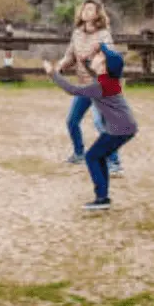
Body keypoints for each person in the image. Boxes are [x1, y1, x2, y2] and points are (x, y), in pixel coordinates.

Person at [44, 43, 138, 210]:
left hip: (119, 130)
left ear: (104, 67)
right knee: (98, 157)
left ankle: (102, 198)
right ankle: (103, 197)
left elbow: (73, 90)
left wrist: (53, 74)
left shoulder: (100, 86)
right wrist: (86, 58)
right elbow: (94, 71)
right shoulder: (108, 80)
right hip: (123, 128)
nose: (96, 57)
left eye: (99, 56)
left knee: (91, 157)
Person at [56, 0, 123, 175]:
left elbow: (110, 58)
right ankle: (79, 154)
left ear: (97, 14)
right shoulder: (77, 34)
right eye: (84, 8)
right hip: (84, 85)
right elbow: (70, 55)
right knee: (72, 121)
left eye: (91, 9)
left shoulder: (104, 35)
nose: (86, 11)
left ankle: (114, 164)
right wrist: (61, 66)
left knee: (101, 123)